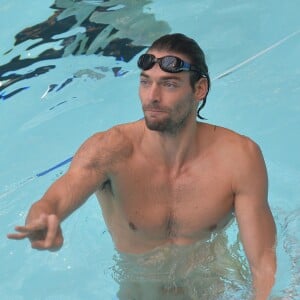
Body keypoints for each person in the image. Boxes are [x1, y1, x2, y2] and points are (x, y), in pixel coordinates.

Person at [7, 33, 276, 299]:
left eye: (169, 84)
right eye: (146, 83)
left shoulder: (239, 158)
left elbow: (263, 262)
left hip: (213, 289)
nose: (152, 96)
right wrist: (42, 220)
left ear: (199, 89)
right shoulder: (110, 151)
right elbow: (53, 202)